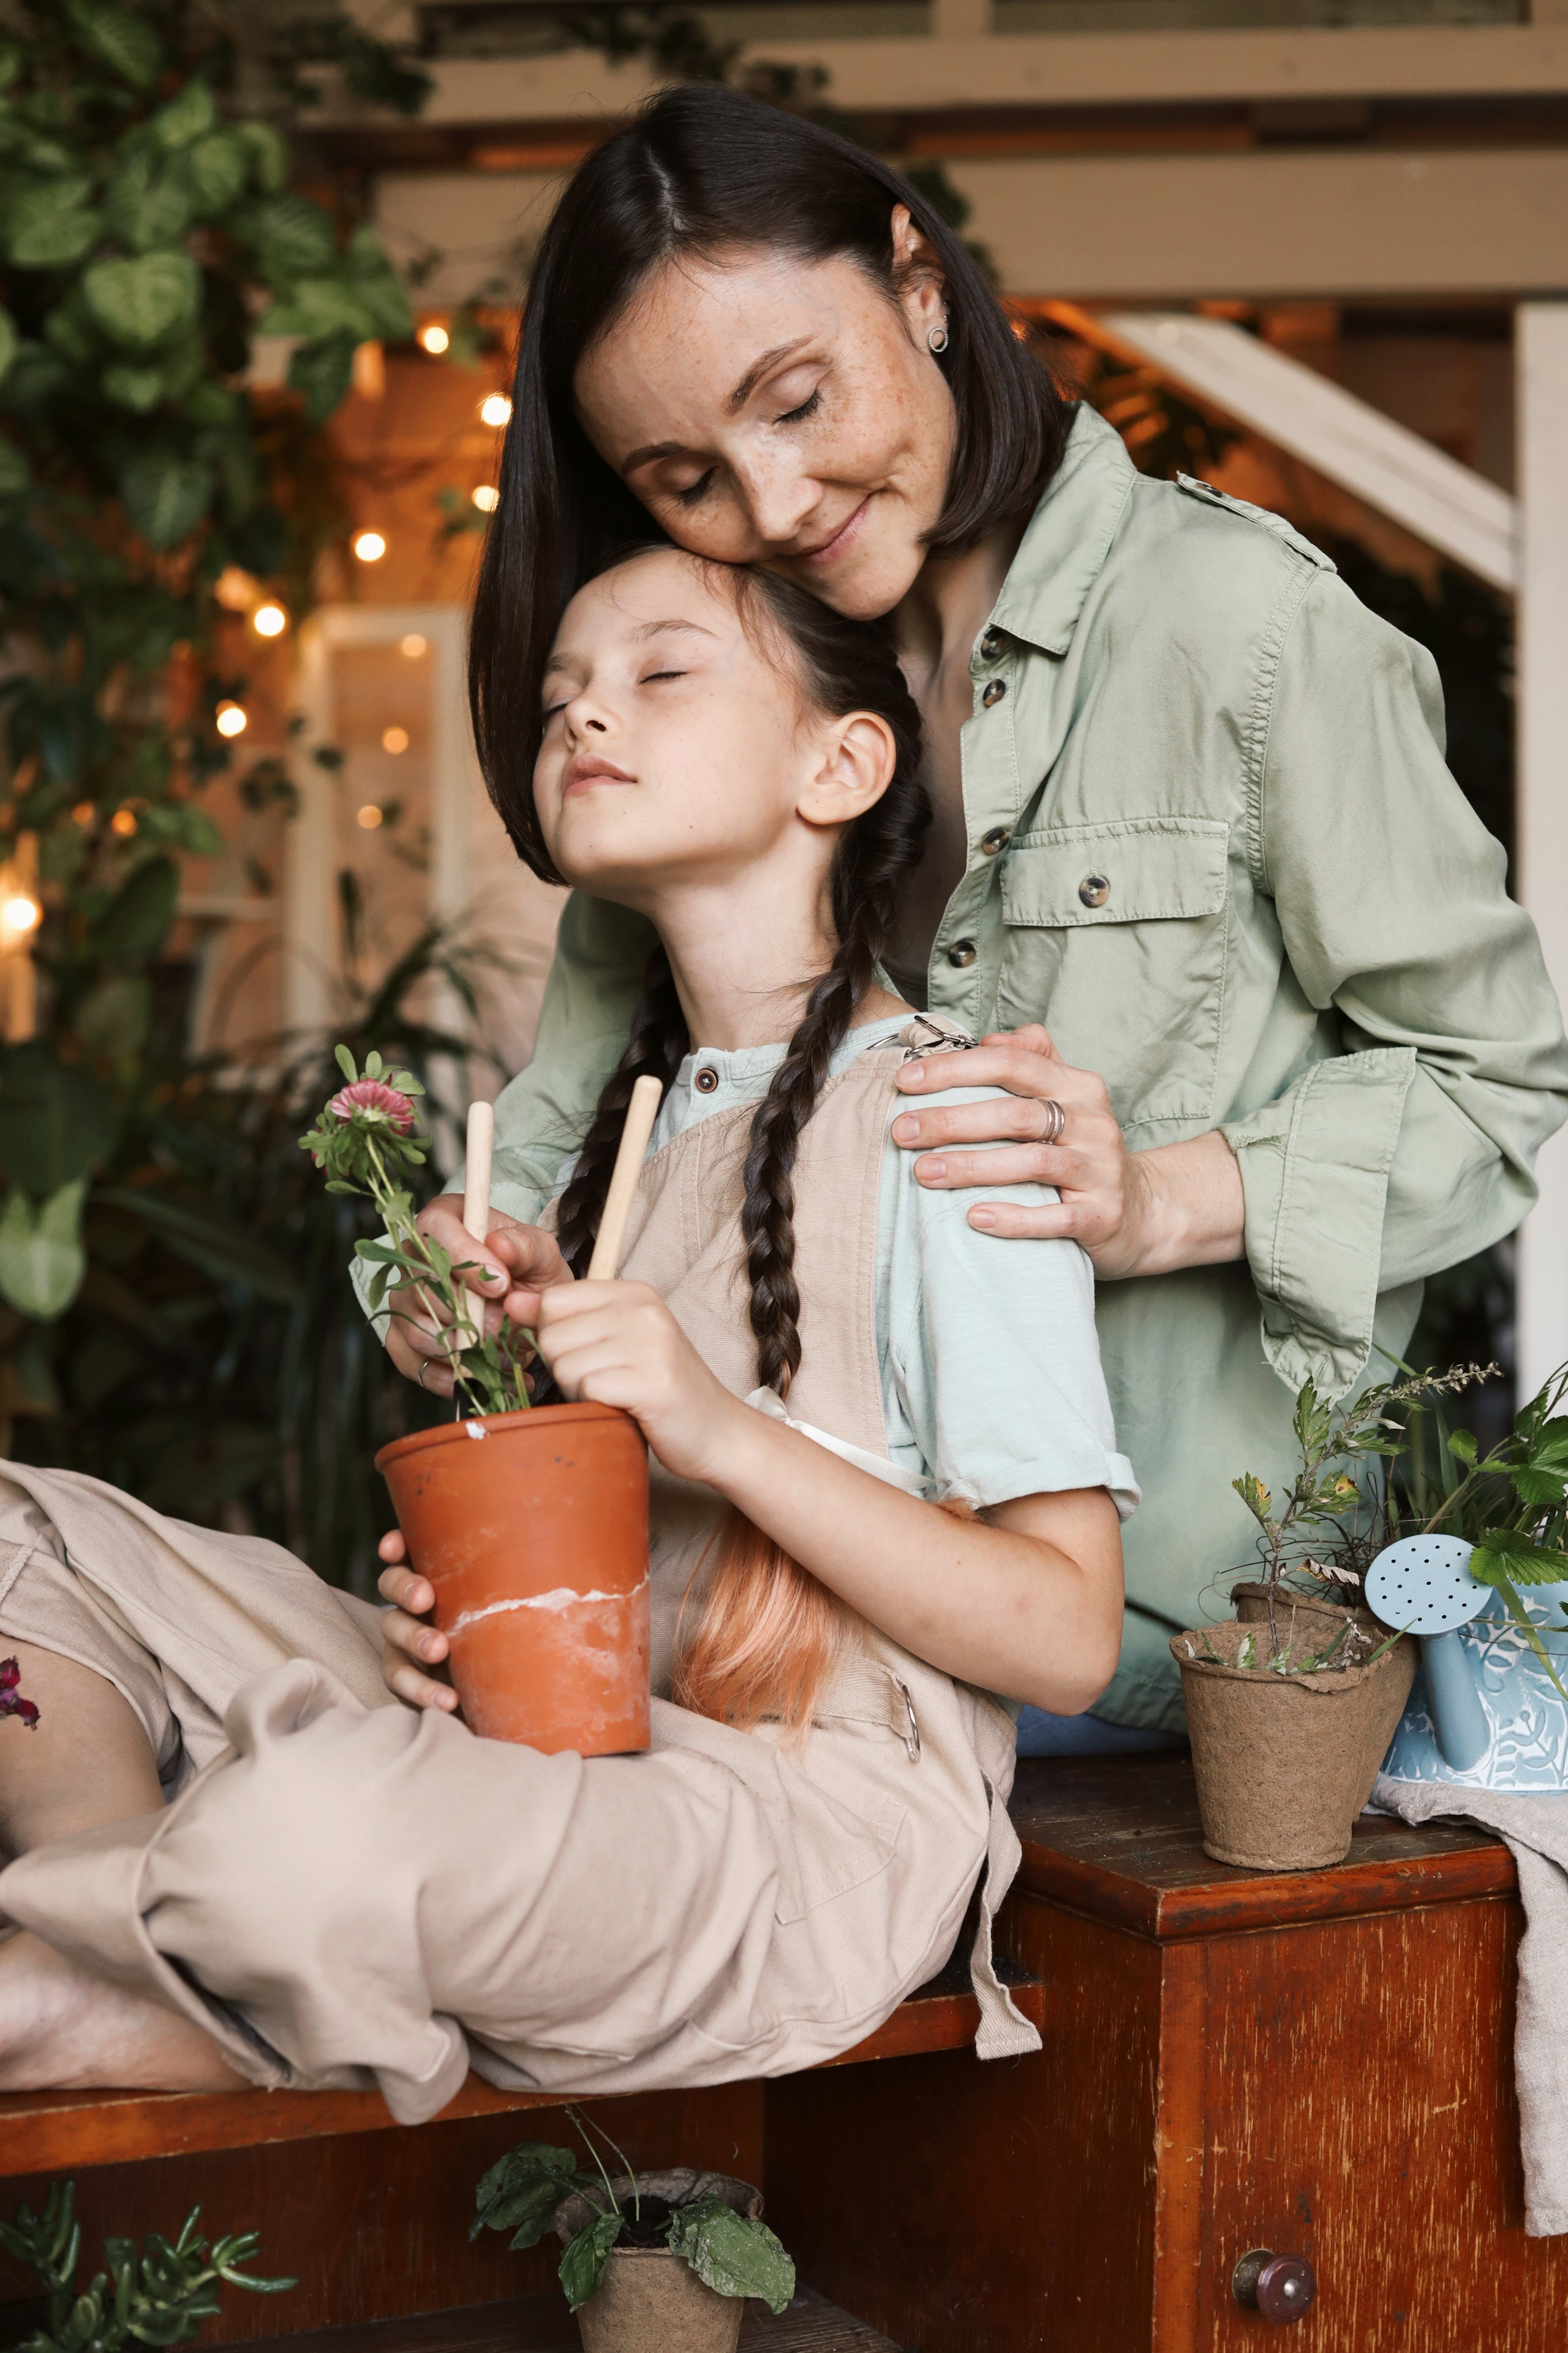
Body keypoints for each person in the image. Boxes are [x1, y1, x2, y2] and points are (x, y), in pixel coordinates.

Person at [379, 83, 1568, 1743]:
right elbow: (564, 1156)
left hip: (1144, 1649)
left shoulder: (1242, 629)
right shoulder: (705, 710)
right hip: (731, 1631)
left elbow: (1502, 1077)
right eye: (686, 477)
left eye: (799, 399)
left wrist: (1155, 1198)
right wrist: (452, 1284)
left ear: (919, 280)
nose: (776, 501)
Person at [0, 549, 1129, 2110]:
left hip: (795, 1824)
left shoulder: (956, 1117)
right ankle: (125, 1960)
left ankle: (98, 1982)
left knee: (312, 1822)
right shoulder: (619, 1139)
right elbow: (561, 1593)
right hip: (548, 1763)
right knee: (20, 1535)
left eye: (658, 674)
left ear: (842, 759)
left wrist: (719, 1431)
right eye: (558, 699)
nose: (583, 713)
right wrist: (446, 1609)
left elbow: (1068, 1639)